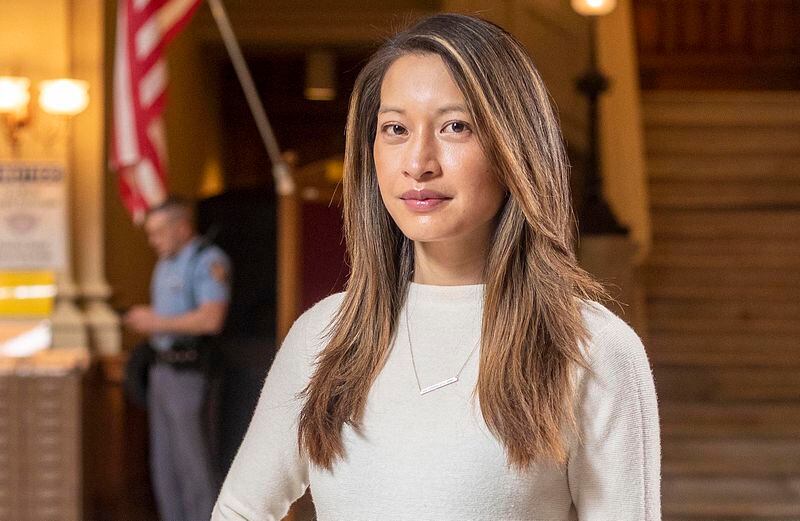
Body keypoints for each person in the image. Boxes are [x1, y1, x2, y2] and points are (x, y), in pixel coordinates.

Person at [212, 13, 660, 521]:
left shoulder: (594, 348)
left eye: (455, 126)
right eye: (396, 129)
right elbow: (241, 510)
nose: (419, 161)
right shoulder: (323, 336)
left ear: (514, 146)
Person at [124, 196, 231, 521]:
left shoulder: (207, 260)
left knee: (193, 465)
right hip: (161, 369)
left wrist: (155, 321)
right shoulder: (166, 261)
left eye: (158, 232)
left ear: (182, 227)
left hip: (189, 371)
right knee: (165, 466)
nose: (152, 240)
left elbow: (211, 319)